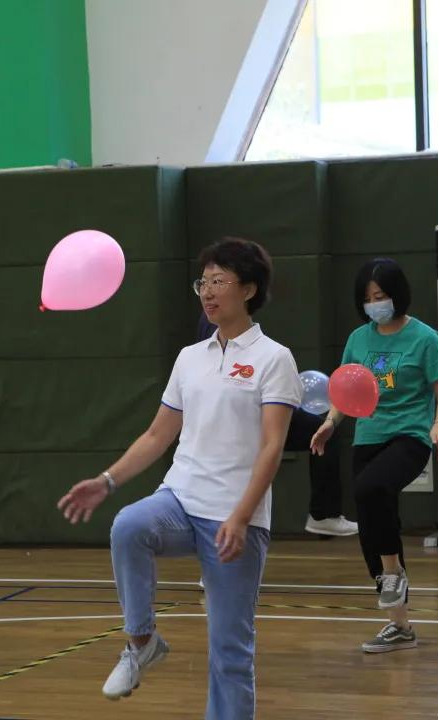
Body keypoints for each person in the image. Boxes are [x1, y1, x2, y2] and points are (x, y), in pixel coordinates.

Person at [58, 238, 301, 719]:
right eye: (203, 282)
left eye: (220, 282)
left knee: (231, 652)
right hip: (180, 500)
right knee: (129, 525)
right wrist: (106, 481)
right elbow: (156, 436)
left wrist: (241, 514)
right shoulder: (190, 357)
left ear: (249, 289)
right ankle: (142, 642)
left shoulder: (275, 359)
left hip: (237, 519)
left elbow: (272, 446)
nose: (208, 292)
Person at [310, 258, 438, 653]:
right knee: (372, 509)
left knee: (372, 487)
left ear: (398, 294)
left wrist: (437, 428)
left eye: (383, 296)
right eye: (369, 298)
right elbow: (345, 391)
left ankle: (393, 573)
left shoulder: (424, 339)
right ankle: (400, 626)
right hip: (368, 434)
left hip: (411, 434)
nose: (376, 303)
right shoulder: (359, 339)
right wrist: (331, 422)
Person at [196, 313, 356, 536]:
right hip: (237, 414)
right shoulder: (213, 329)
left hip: (262, 408)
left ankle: (323, 514)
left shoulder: (264, 345)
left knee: (322, 434)